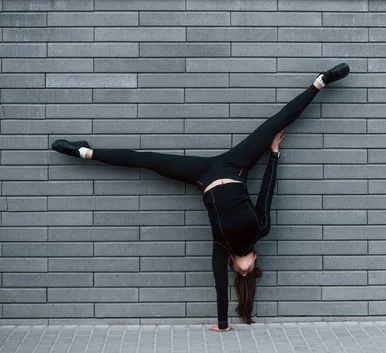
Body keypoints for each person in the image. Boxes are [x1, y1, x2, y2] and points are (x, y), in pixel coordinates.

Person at [50, 63, 350, 332]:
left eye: (240, 272)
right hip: (235, 166)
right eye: (249, 270)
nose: (244, 270)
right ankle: (321, 81)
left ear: (235, 266)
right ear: (255, 259)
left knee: (145, 159)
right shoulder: (261, 228)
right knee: (276, 123)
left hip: (203, 175)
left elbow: (221, 287)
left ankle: (83, 152)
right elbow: (267, 191)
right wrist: (274, 154)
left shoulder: (221, 248)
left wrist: (222, 326)